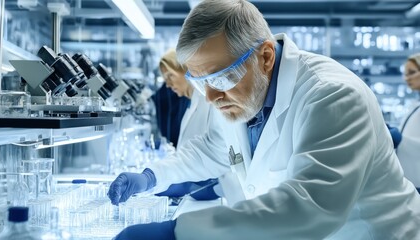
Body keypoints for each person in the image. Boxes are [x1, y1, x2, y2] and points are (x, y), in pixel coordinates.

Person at [108, 1, 420, 239]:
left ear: (266, 57)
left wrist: (179, 232)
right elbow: (210, 150)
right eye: (202, 83)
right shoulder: (241, 99)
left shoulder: (332, 96)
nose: (211, 97)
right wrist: (150, 176)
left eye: (223, 77)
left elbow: (310, 206)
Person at [155, 49, 218, 199]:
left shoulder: (207, 101)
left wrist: (192, 186)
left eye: (170, 75)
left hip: (205, 189)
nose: (168, 85)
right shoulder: (191, 104)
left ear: (186, 71)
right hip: (192, 187)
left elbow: (214, 150)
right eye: (165, 79)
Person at [396, 53, 420, 193]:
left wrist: (401, 140)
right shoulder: (415, 105)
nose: (407, 78)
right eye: (405, 74)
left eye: (412, 73)